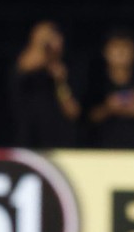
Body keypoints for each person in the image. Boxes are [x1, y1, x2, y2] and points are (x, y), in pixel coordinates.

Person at [8, 20, 82, 148]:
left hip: (60, 143)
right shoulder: (25, 68)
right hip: (29, 143)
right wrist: (42, 43)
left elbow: (73, 111)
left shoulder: (71, 68)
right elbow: (26, 64)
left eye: (53, 36)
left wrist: (60, 82)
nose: (48, 42)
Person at [86, 27, 134, 149]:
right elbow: (85, 120)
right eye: (115, 47)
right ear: (106, 52)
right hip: (102, 151)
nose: (120, 52)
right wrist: (108, 107)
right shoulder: (96, 83)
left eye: (125, 48)